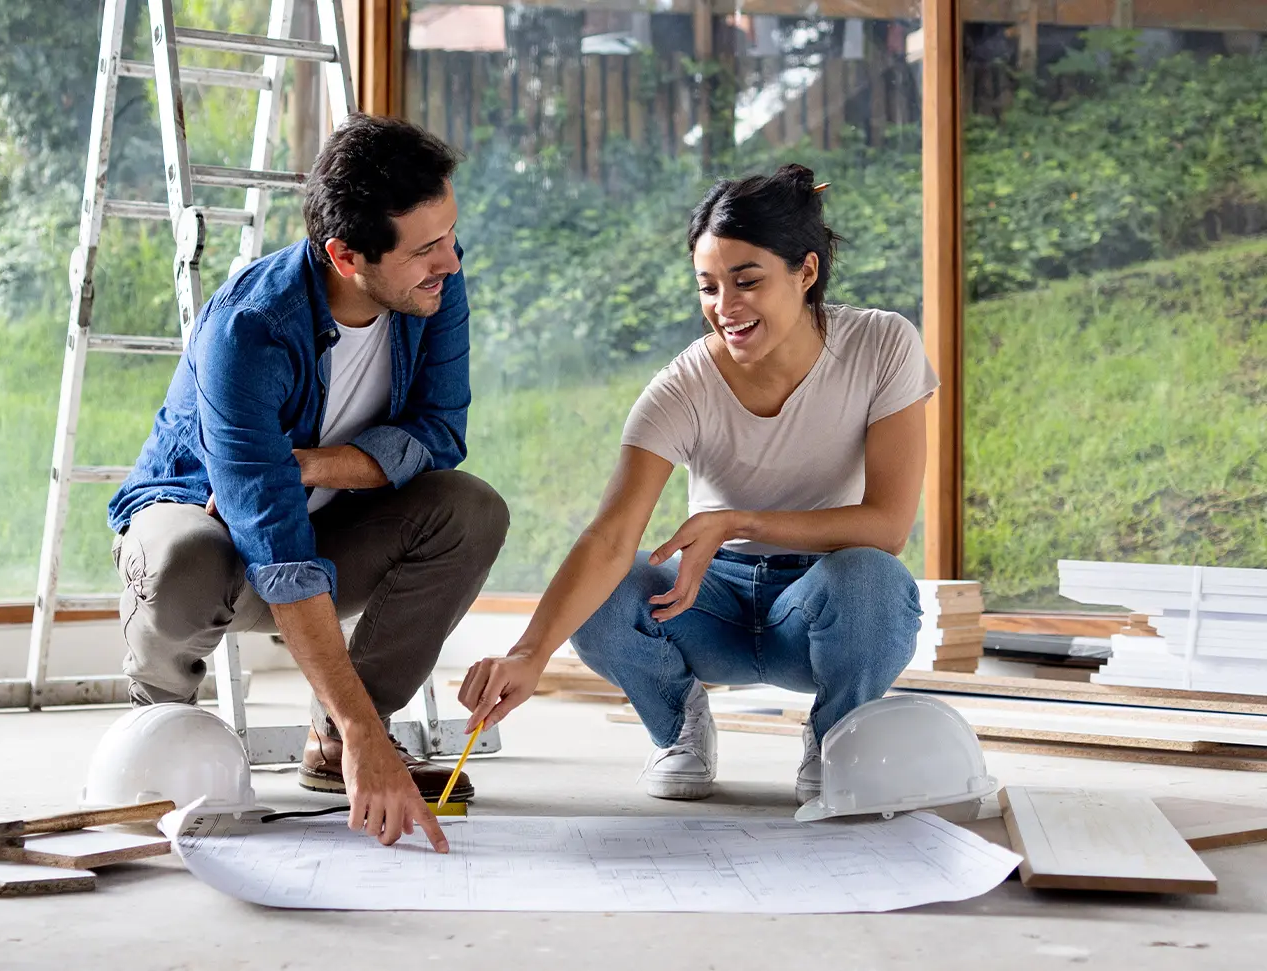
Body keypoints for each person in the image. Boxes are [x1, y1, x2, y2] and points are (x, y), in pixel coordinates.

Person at [458, 163, 935, 803]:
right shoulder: (681, 389)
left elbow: (887, 526)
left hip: (826, 608)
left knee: (873, 579)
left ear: (807, 272)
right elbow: (608, 537)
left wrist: (737, 521)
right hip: (708, 607)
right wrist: (529, 654)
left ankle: (832, 740)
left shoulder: (882, 345)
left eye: (747, 282)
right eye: (707, 287)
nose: (724, 308)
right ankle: (677, 726)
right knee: (610, 587)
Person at [107, 115, 510, 850]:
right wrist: (372, 736)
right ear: (345, 254)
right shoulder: (250, 330)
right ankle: (155, 726)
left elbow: (440, 433)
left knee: (470, 510)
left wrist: (311, 463)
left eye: (449, 235)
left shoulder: (432, 284)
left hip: (327, 521)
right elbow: (276, 545)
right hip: (212, 533)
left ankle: (336, 744)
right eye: (426, 249)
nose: (449, 261)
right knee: (182, 560)